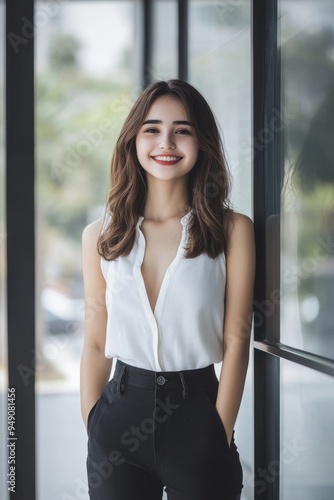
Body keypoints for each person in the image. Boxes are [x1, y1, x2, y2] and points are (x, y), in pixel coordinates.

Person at [80, 79, 255, 500]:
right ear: (133, 140)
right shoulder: (100, 236)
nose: (167, 142)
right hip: (119, 417)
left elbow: (236, 338)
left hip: (199, 415)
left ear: (201, 141)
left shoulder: (232, 230)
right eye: (152, 129)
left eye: (183, 130)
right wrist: (94, 424)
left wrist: (220, 428)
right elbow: (94, 341)